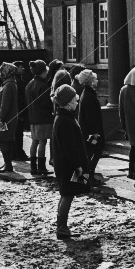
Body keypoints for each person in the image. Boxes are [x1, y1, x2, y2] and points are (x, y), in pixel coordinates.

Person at [51, 84, 90, 239]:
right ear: (68, 102)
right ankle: (61, 229)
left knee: (66, 194)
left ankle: (62, 227)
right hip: (68, 165)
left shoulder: (62, 117)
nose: (77, 102)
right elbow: (70, 147)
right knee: (67, 194)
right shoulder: (65, 120)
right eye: (74, 99)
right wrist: (78, 166)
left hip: (64, 163)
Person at [25, 59, 53, 175]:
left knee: (35, 141)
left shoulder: (29, 84)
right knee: (42, 141)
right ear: (43, 71)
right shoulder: (42, 86)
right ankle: (41, 167)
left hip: (33, 117)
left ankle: (33, 167)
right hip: (43, 118)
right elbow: (47, 104)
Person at [77, 69, 104, 183]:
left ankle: (87, 176)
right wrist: (95, 134)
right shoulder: (88, 95)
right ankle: (88, 176)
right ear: (90, 81)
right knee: (94, 151)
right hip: (91, 133)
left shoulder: (88, 93)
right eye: (95, 78)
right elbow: (91, 117)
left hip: (90, 132)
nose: (97, 80)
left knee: (93, 152)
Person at [0, 62, 19, 172]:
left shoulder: (8, 85)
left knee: (2, 139)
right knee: (4, 140)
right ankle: (6, 163)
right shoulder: (9, 83)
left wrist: (1, 119)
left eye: (1, 71)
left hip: (5, 120)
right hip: (6, 119)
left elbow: (5, 104)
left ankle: (8, 164)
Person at [12, 60, 30, 161]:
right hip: (19, 112)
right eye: (21, 67)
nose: (23, 69)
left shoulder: (18, 81)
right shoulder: (18, 82)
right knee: (18, 133)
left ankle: (16, 152)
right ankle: (18, 153)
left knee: (17, 133)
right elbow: (19, 99)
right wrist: (21, 112)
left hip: (17, 111)